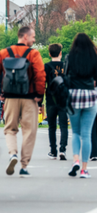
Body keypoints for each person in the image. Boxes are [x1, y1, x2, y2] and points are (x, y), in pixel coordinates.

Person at [0, 26, 46, 176]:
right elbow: (40, 74)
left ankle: (12, 153)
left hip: (10, 97)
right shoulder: (33, 54)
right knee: (29, 131)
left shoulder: (4, 53)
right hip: (29, 97)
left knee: (9, 129)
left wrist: (1, 92)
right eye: (33, 37)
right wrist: (39, 95)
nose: (34, 39)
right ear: (25, 37)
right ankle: (24, 165)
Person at [65, 33, 97, 179]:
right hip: (89, 94)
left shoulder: (70, 57)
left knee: (75, 132)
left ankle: (75, 159)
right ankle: (84, 169)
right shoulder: (94, 57)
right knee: (86, 134)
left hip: (73, 94)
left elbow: (66, 75)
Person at [44, 43, 68, 160]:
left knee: (52, 126)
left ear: (49, 54)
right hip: (63, 99)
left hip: (50, 99)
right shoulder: (66, 65)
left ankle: (53, 151)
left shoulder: (46, 66)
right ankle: (62, 149)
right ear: (60, 53)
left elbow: (43, 83)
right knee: (63, 125)